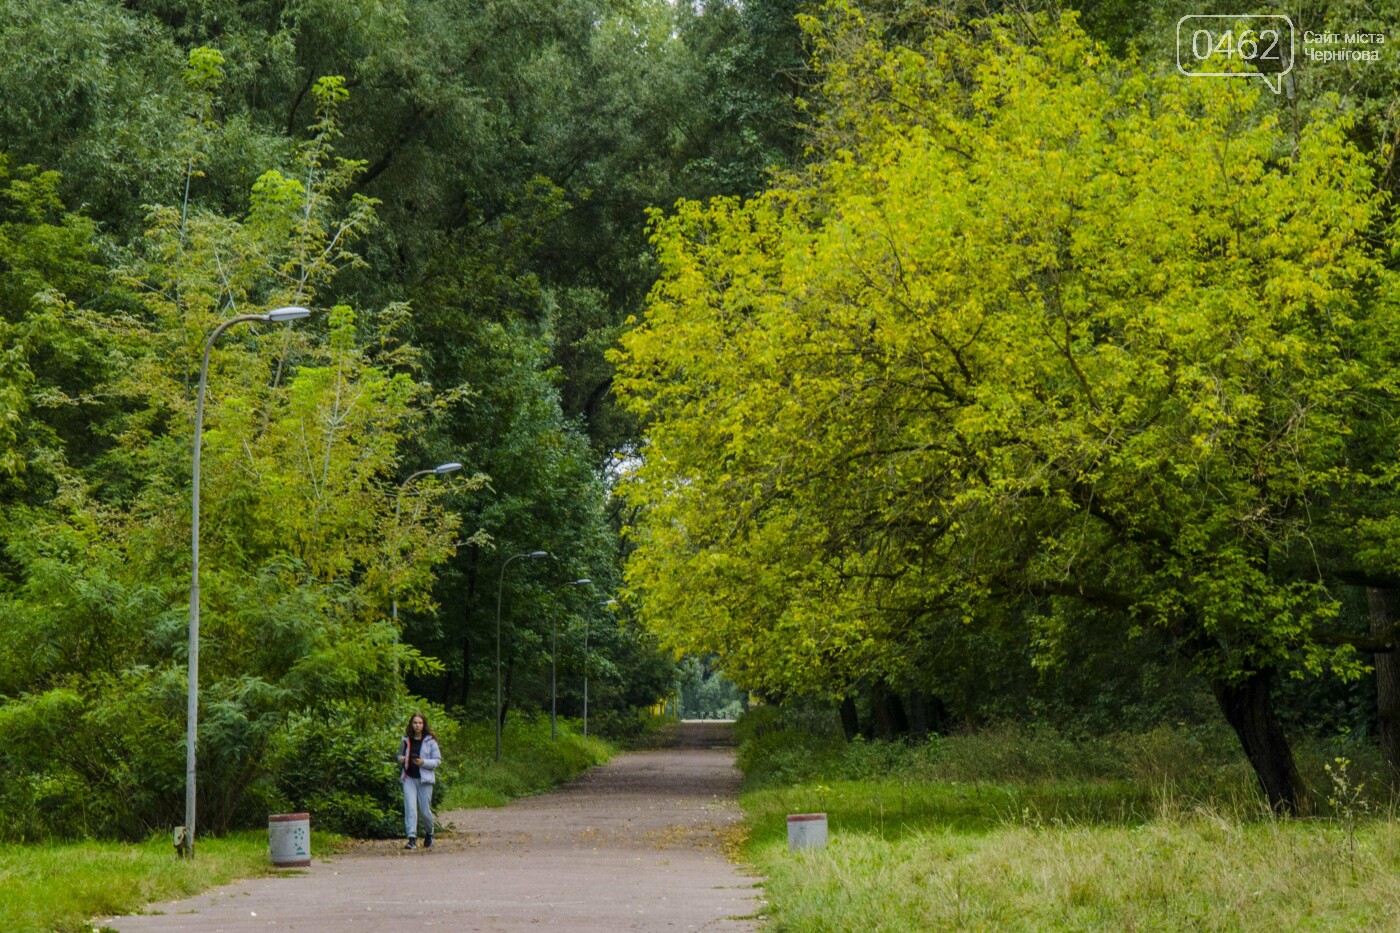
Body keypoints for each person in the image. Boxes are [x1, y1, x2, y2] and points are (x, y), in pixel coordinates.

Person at [397, 712, 441, 849]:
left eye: (420, 723)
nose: (417, 725)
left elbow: (437, 761)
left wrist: (423, 762)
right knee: (410, 808)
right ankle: (412, 838)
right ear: (411, 724)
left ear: (424, 724)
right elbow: (399, 754)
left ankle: (429, 833)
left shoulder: (430, 741)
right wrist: (401, 759)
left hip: (425, 779)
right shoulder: (406, 740)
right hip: (408, 777)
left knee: (424, 810)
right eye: (415, 723)